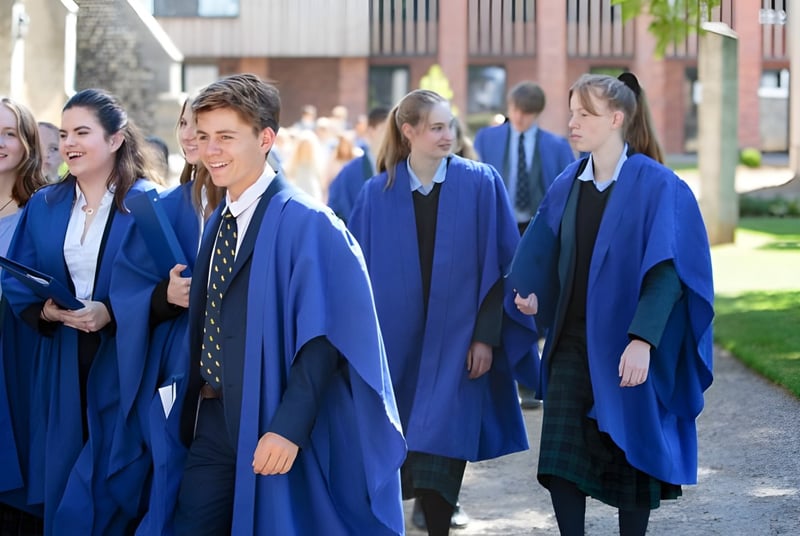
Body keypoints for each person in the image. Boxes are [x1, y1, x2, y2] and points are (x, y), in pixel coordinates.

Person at [172, 73, 405, 535]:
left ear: (265, 139)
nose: (210, 149)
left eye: (225, 137)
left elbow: (325, 337)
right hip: (214, 420)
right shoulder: (220, 221)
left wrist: (288, 428)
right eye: (204, 136)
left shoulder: (308, 222)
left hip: (271, 421)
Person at [511, 73, 714, 536]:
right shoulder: (567, 183)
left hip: (626, 342)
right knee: (560, 461)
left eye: (586, 114)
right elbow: (551, 258)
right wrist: (536, 298)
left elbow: (668, 272)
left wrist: (643, 340)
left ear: (617, 118)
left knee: (630, 459)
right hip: (570, 342)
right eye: (572, 113)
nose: (573, 123)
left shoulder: (657, 185)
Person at [348, 89, 540, 536]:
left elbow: (502, 265)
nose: (447, 135)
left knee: (444, 448)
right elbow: (353, 278)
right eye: (436, 127)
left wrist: (485, 336)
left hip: (458, 342)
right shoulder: (377, 194)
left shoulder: (480, 183)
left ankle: (438, 524)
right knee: (398, 452)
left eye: (449, 125)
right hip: (396, 350)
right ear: (408, 131)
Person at [1, 89, 162, 534]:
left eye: (82, 132)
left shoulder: (148, 203)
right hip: (61, 360)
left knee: (116, 480)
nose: (69, 143)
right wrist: (47, 310)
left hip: (124, 358)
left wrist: (110, 311)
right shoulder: (45, 205)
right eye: (65, 133)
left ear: (115, 139)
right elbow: (19, 277)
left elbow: (166, 288)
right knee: (65, 476)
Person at [110, 96, 221, 535]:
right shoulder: (168, 205)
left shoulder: (258, 204)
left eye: (201, 125)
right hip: (178, 368)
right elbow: (128, 288)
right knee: (173, 476)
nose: (189, 134)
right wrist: (165, 295)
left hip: (236, 369)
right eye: (183, 123)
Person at [474, 81, 575, 410]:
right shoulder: (486, 139)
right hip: (497, 227)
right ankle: (511, 376)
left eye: (527, 114)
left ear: (537, 114)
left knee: (529, 300)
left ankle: (530, 378)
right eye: (516, 111)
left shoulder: (556, 147)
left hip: (535, 231)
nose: (519, 118)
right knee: (496, 298)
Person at [0, 96, 48, 535]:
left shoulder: (44, 209)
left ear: (28, 142)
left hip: (20, 355)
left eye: (9, 133)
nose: (0, 142)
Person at [327, 106, 388, 222]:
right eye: (386, 129)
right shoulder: (349, 171)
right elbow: (335, 212)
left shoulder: (399, 169)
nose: (391, 135)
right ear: (371, 130)